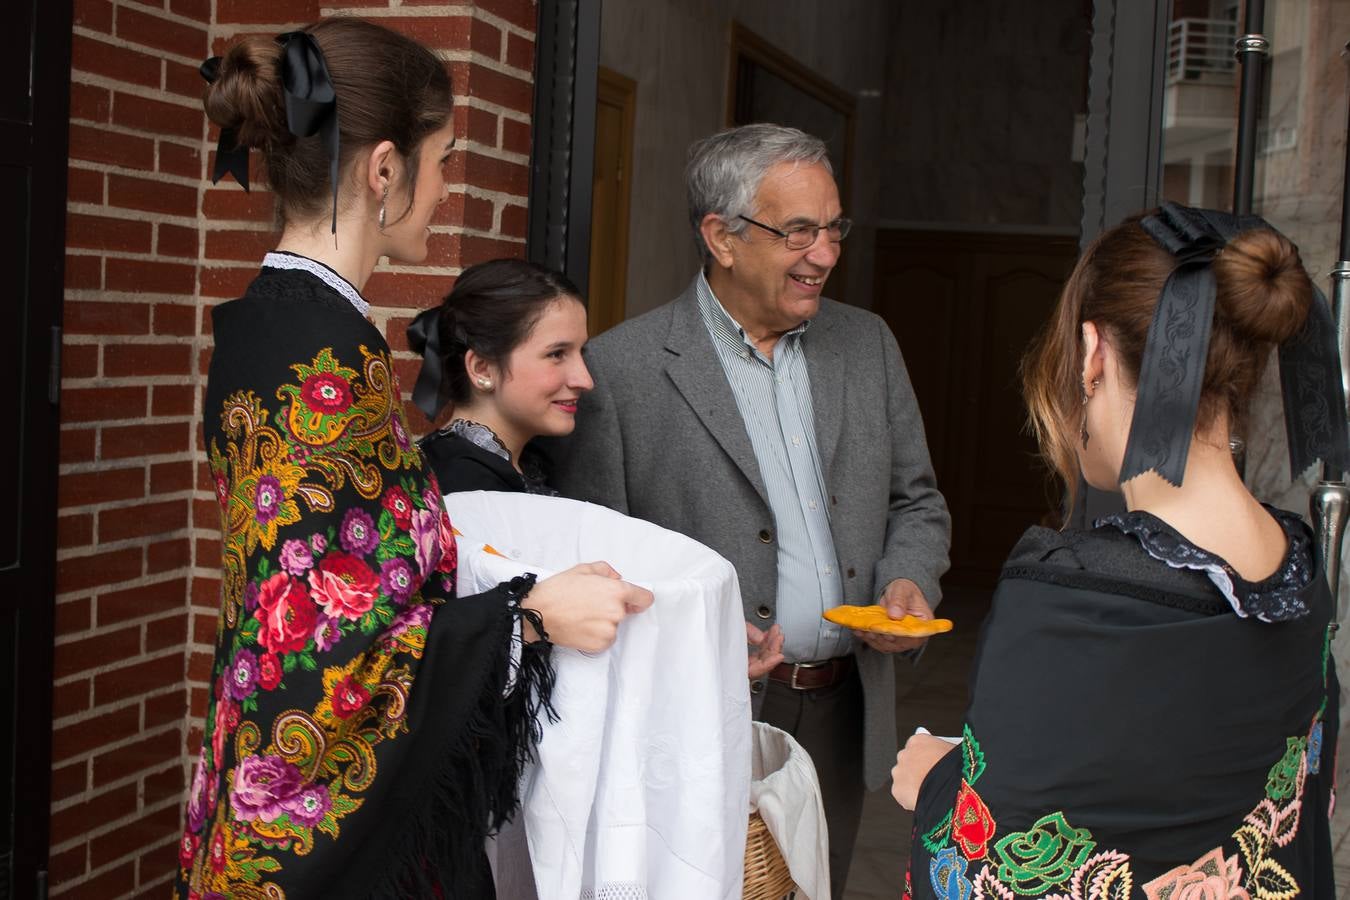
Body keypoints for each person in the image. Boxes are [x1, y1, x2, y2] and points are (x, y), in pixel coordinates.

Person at [177, 19, 651, 899]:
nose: (445, 187)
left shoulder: (281, 322)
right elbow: (334, 656)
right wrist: (531, 616)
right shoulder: (322, 358)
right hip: (315, 838)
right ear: (383, 169)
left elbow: (323, 588)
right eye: (444, 161)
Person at [891, 203, 1346, 899]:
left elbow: (997, 872)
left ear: (1093, 352)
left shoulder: (1075, 597)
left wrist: (932, 783)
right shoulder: (1301, 570)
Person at [551, 123, 952, 897]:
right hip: (693, 722)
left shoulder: (868, 345)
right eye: (799, 230)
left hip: (842, 713)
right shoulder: (622, 372)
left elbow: (918, 501)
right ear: (721, 237)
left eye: (834, 228)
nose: (826, 254)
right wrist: (686, 637)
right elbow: (593, 565)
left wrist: (909, 580)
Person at [408, 259, 592, 495]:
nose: (585, 380)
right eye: (556, 354)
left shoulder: (529, 463)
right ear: (482, 369)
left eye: (581, 352)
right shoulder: (461, 485)